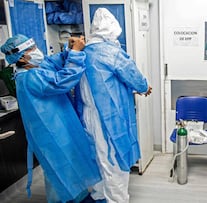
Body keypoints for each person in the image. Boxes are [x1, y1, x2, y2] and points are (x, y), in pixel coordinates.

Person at [0, 34, 101, 203]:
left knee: (69, 166)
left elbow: (52, 61)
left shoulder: (34, 68)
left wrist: (69, 50)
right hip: (51, 134)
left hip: (60, 129)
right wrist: (76, 55)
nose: (37, 52)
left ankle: (79, 197)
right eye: (31, 50)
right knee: (60, 169)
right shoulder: (29, 77)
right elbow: (62, 81)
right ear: (22, 57)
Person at [74, 8, 152, 203]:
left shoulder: (82, 51)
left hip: (86, 115)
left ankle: (100, 195)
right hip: (107, 117)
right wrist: (144, 87)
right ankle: (117, 200)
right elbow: (133, 75)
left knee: (97, 158)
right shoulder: (110, 52)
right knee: (113, 160)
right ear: (111, 32)